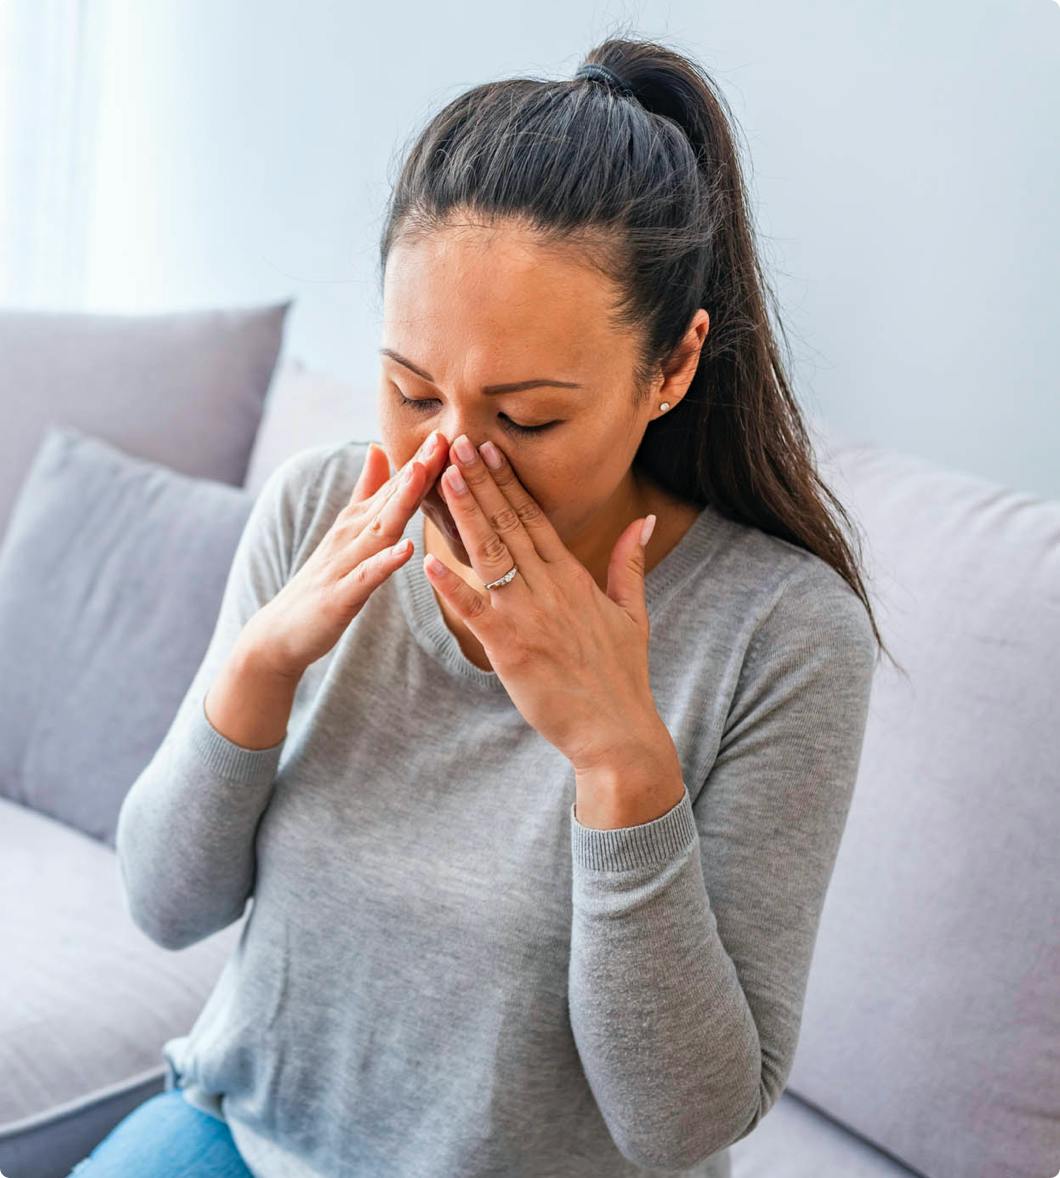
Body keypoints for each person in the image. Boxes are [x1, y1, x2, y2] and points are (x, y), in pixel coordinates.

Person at [75, 32, 893, 1178]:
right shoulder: (323, 504)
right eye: (412, 390)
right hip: (244, 1134)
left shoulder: (781, 637)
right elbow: (165, 905)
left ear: (673, 366)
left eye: (529, 418)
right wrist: (257, 673)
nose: (454, 463)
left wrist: (622, 765)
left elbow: (682, 1121)